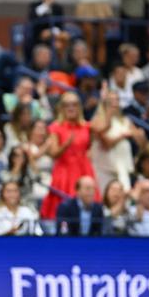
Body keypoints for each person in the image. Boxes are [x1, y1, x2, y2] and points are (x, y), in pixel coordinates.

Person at [41, 92, 97, 220]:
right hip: (64, 172)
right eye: (66, 105)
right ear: (61, 108)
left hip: (84, 170)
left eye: (74, 104)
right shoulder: (55, 127)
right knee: (64, 208)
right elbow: (54, 154)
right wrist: (65, 145)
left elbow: (90, 146)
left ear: (79, 107)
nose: (71, 108)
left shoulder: (87, 126)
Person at [90, 91, 143, 193]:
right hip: (104, 168)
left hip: (122, 167)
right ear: (105, 102)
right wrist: (124, 135)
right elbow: (106, 144)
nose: (114, 103)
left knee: (124, 195)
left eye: (117, 100)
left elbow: (142, 143)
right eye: (111, 100)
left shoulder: (125, 120)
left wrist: (140, 135)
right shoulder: (97, 120)